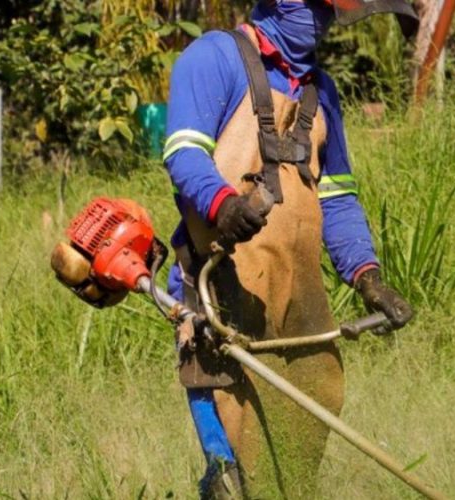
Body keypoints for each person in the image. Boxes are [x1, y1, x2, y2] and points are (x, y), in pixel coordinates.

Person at [163, 1, 418, 497]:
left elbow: (337, 195)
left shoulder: (321, 92)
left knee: (306, 433)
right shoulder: (213, 58)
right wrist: (224, 205)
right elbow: (183, 153)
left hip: (298, 297)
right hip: (222, 296)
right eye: (316, 9)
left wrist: (368, 277)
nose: (321, 23)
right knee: (237, 475)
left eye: (329, 13)